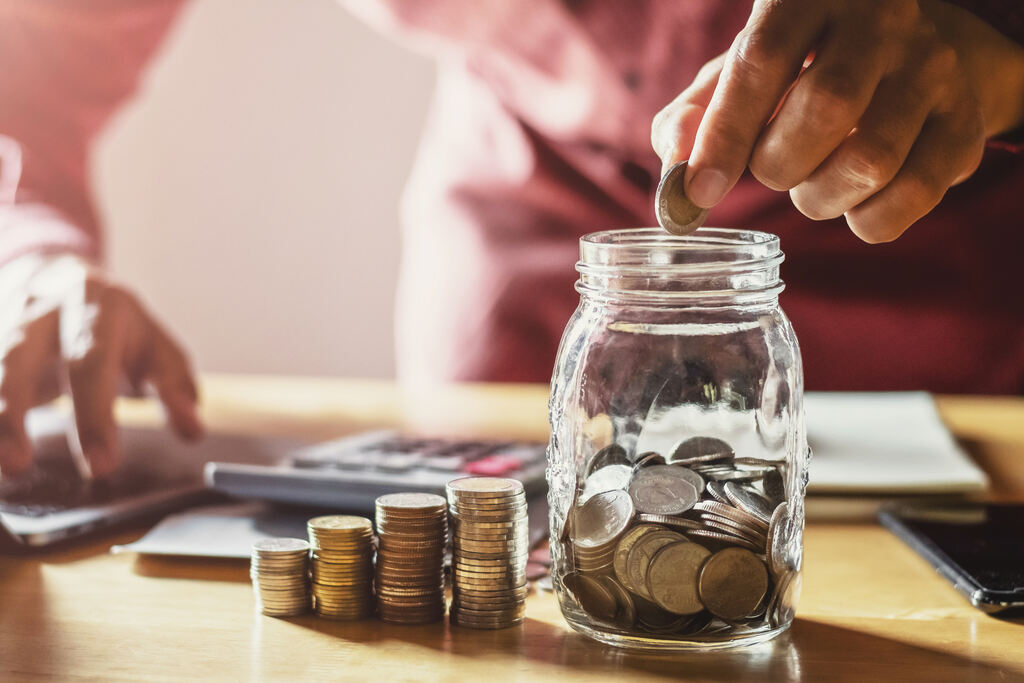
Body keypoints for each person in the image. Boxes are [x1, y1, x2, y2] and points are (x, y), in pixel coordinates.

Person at [1, 0, 1023, 478]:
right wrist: (29, 256)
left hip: (954, 234)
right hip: (531, 246)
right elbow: (28, 73)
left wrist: (1001, 45)